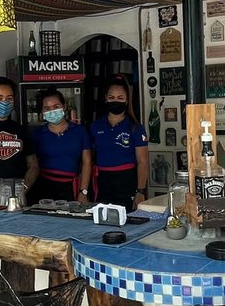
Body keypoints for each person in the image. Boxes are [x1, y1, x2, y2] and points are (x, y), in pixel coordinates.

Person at [89, 75, 149, 211]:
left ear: (127, 100)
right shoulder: (96, 126)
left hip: (126, 181)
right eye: (111, 97)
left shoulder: (135, 128)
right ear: (105, 98)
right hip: (102, 182)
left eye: (120, 98)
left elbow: (143, 162)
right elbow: (89, 158)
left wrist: (140, 191)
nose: (115, 101)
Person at [27, 88, 92, 204]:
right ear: (42, 111)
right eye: (47, 108)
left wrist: (83, 191)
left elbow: (87, 162)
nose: (52, 111)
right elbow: (32, 164)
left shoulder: (80, 131)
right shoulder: (37, 134)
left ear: (64, 106)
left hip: (71, 188)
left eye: (56, 106)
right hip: (44, 188)